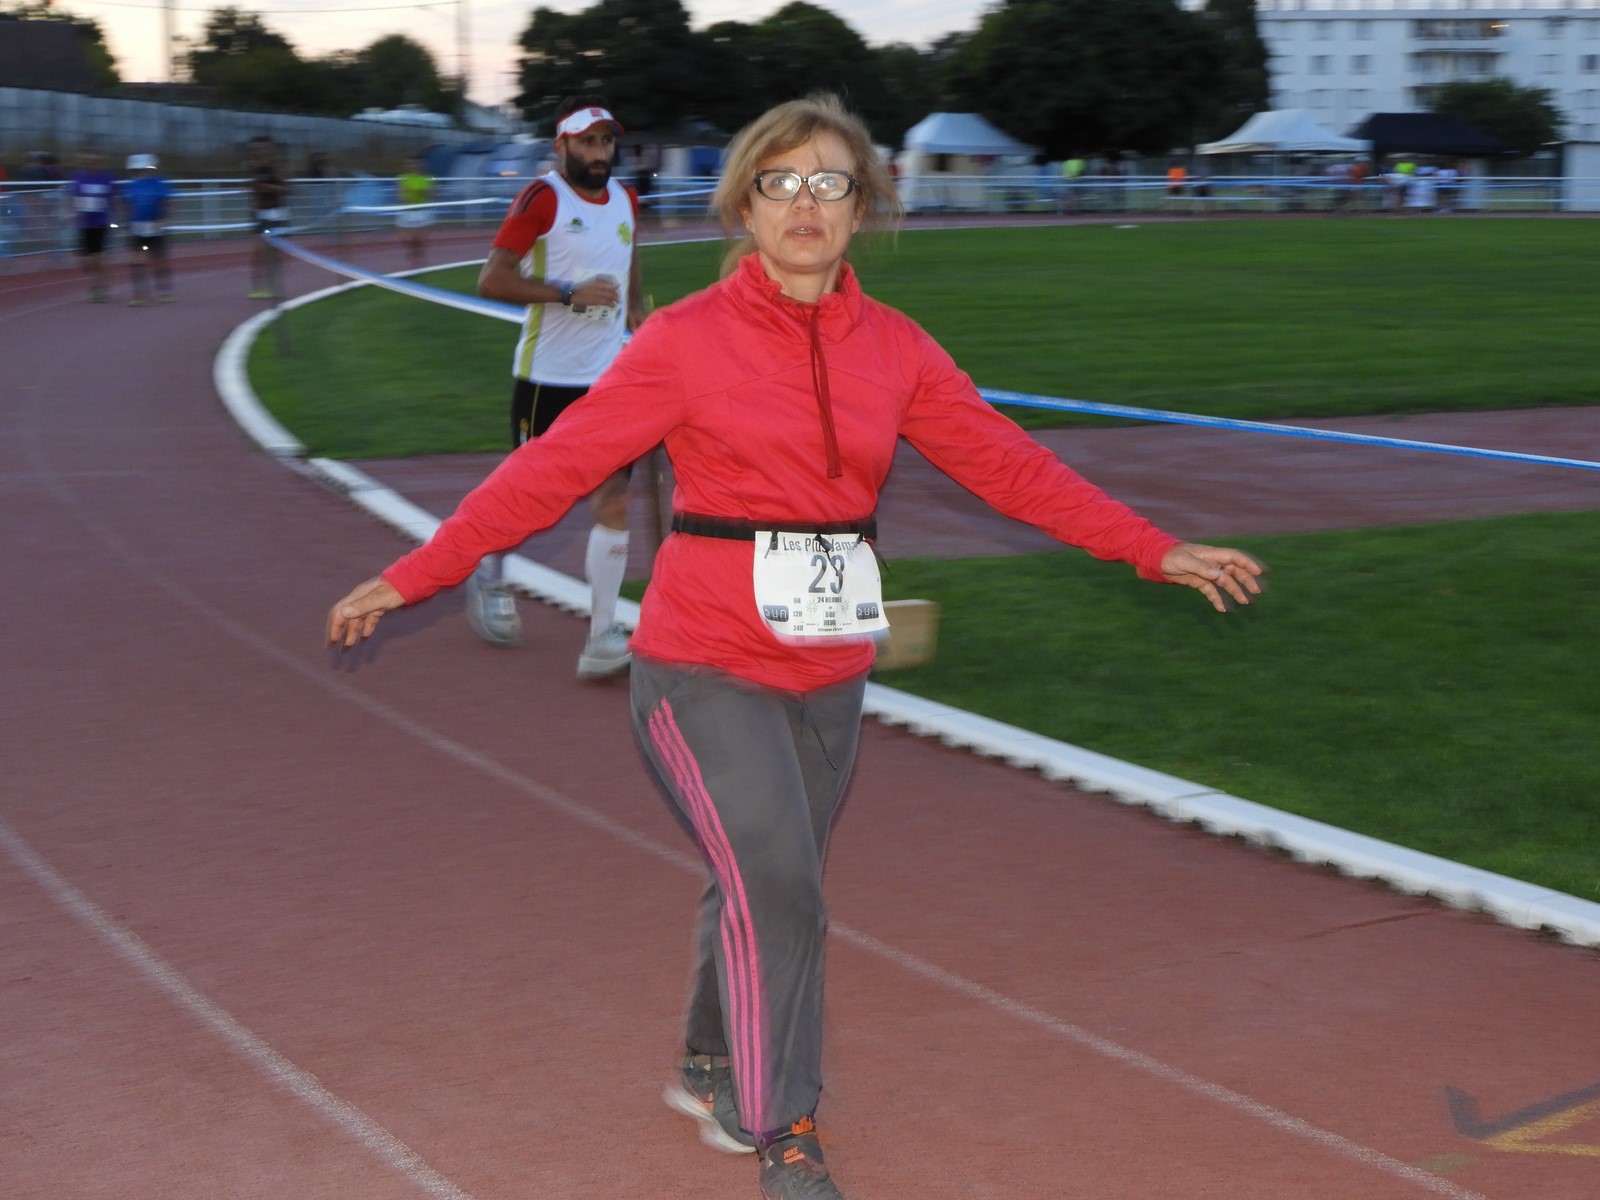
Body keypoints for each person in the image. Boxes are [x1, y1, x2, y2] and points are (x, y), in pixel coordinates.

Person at [327, 92, 1264, 1200]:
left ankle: (706, 1061)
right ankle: (784, 1127)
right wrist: (419, 571)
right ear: (745, 207)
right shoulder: (683, 342)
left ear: (863, 206)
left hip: (829, 665)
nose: (804, 203)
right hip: (699, 663)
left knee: (765, 876)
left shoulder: (897, 350)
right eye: (779, 183)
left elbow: (1010, 466)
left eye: (829, 182)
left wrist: (1151, 547)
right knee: (781, 885)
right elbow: (554, 466)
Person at [469, 95, 647, 677]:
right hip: (547, 378)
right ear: (562, 145)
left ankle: (602, 637)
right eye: (589, 142)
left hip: (609, 381)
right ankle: (490, 574)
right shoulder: (542, 198)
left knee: (614, 499)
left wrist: (639, 318)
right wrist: (567, 293)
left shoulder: (626, 199)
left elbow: (628, 263)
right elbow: (492, 280)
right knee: (527, 503)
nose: (600, 153)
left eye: (607, 142)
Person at [121, 153, 175, 305]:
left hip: (155, 228)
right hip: (137, 228)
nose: (140, 172)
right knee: (136, 262)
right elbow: (128, 205)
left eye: (143, 169)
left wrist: (162, 220)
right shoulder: (131, 185)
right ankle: (140, 294)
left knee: (158, 261)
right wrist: (127, 222)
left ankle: (164, 289)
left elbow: (168, 203)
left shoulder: (159, 183)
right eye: (137, 170)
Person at [66, 149, 117, 302]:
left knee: (97, 259)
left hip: (101, 223)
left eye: (94, 162)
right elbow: (71, 197)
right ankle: (101, 279)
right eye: (87, 162)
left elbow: (113, 199)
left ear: (99, 163)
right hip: (83, 224)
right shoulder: (77, 177)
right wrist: (70, 213)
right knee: (85, 262)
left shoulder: (107, 178)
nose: (90, 164)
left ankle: (99, 288)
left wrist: (115, 219)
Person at [245, 136, 292, 299]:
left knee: (274, 251)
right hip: (260, 214)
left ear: (269, 149)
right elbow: (251, 188)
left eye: (261, 148)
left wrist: (270, 187)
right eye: (254, 149)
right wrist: (252, 191)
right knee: (259, 250)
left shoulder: (276, 168)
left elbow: (289, 189)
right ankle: (257, 286)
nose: (257, 151)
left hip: (276, 214)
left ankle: (275, 285)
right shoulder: (252, 168)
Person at [395, 154, 435, 270]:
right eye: (411, 163)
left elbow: (430, 194)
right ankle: (412, 252)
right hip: (406, 211)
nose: (414, 166)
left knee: (420, 239)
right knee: (404, 239)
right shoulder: (402, 178)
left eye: (416, 164)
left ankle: (419, 258)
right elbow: (401, 195)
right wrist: (407, 195)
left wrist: (421, 191)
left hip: (422, 211)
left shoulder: (427, 178)